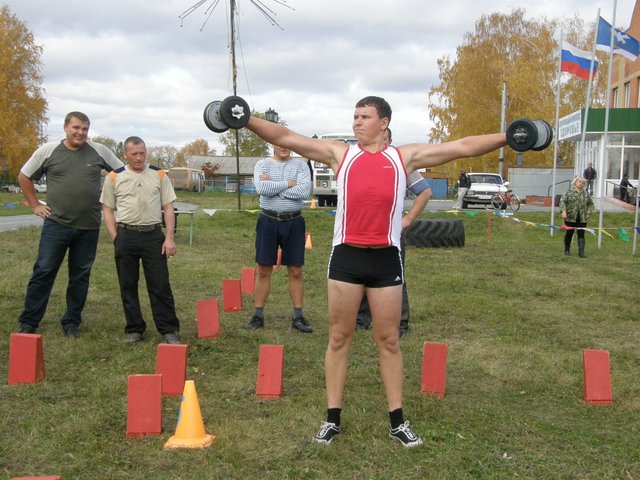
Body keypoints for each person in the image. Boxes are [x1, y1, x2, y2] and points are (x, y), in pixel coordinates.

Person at [245, 95, 508, 448]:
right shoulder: (341, 154)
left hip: (386, 260)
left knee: (389, 341)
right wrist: (245, 119)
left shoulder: (403, 157)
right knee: (339, 338)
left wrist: (508, 137)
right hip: (346, 258)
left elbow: (461, 147)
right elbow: (286, 136)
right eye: (355, 116)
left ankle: (397, 422)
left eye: (364, 116)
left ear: (384, 123)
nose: (357, 122)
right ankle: (332, 419)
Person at [16, 112, 123, 338]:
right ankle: (29, 321)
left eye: (84, 129)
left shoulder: (99, 151)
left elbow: (123, 174)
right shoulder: (48, 151)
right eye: (76, 127)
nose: (80, 133)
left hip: (88, 227)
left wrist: (111, 200)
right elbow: (24, 176)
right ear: (65, 127)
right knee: (44, 271)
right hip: (56, 225)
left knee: (80, 276)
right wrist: (35, 205)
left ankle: (72, 322)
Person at [100, 136, 181, 344]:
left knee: (160, 284)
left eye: (142, 153)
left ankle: (168, 329)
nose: (138, 158)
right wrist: (115, 237)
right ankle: (134, 329)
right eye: (134, 154)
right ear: (125, 155)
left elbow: (168, 207)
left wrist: (169, 237)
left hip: (153, 236)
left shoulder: (159, 175)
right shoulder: (114, 177)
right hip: (126, 235)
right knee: (127, 285)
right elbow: (107, 209)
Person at [356, 127, 432, 337]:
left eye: (384, 139)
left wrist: (408, 219)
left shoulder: (400, 162)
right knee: (361, 274)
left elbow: (425, 192)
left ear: (389, 141)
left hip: (391, 234)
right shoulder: (359, 160)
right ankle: (361, 319)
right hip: (362, 232)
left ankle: (401, 322)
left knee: (396, 277)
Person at [245, 144, 313, 333]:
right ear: (273, 144)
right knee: (263, 269)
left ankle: (298, 317)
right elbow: (261, 187)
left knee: (296, 270)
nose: (283, 147)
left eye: (287, 144)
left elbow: (303, 192)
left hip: (294, 221)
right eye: (279, 143)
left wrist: (274, 187)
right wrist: (288, 184)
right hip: (268, 220)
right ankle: (258, 316)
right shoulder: (262, 165)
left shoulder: (301, 166)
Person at [559, 177, 594, 259]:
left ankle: (581, 252)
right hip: (570, 217)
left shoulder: (586, 194)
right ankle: (567, 250)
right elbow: (562, 202)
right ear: (575, 182)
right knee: (569, 233)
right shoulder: (568, 192)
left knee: (581, 234)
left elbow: (591, 204)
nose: (580, 183)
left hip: (582, 218)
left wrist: (588, 213)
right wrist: (563, 211)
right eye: (579, 181)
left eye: (583, 182)